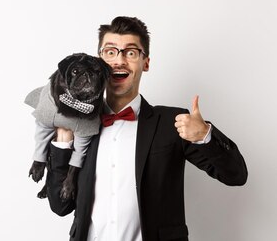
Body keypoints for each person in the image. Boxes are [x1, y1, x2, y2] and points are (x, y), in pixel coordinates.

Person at [44, 16, 248, 241]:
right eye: (110, 52)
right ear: (99, 61)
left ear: (146, 62)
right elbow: (60, 206)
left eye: (130, 52)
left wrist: (204, 135)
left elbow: (236, 175)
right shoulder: (78, 125)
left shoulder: (172, 122)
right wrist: (63, 139)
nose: (119, 61)